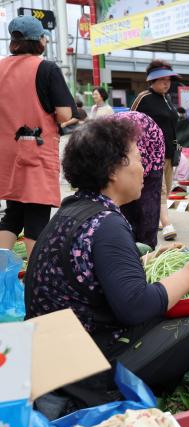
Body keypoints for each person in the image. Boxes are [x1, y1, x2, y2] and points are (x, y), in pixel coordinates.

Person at [25, 118, 189, 417]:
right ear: (114, 169)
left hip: (53, 362)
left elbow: (87, 277)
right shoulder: (107, 224)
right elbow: (136, 307)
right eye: (140, 158)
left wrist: (142, 262)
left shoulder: (73, 211)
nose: (145, 168)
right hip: (87, 372)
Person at [0, 16, 76, 258]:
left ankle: (1, 275)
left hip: (7, 153)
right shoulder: (46, 68)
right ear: (37, 41)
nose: (45, 40)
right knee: (36, 213)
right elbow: (65, 114)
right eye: (44, 36)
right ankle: (36, 281)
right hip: (35, 151)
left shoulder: (0, 68)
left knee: (12, 213)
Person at [131, 60, 180, 241]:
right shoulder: (143, 97)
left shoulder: (167, 100)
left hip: (169, 153)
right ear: (152, 81)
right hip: (150, 154)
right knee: (160, 189)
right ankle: (166, 223)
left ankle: (156, 219)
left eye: (168, 79)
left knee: (164, 188)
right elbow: (129, 119)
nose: (166, 83)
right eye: (162, 80)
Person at [117, 111, 165, 249]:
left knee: (147, 204)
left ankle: (146, 247)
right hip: (127, 145)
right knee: (123, 204)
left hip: (150, 143)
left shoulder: (132, 148)